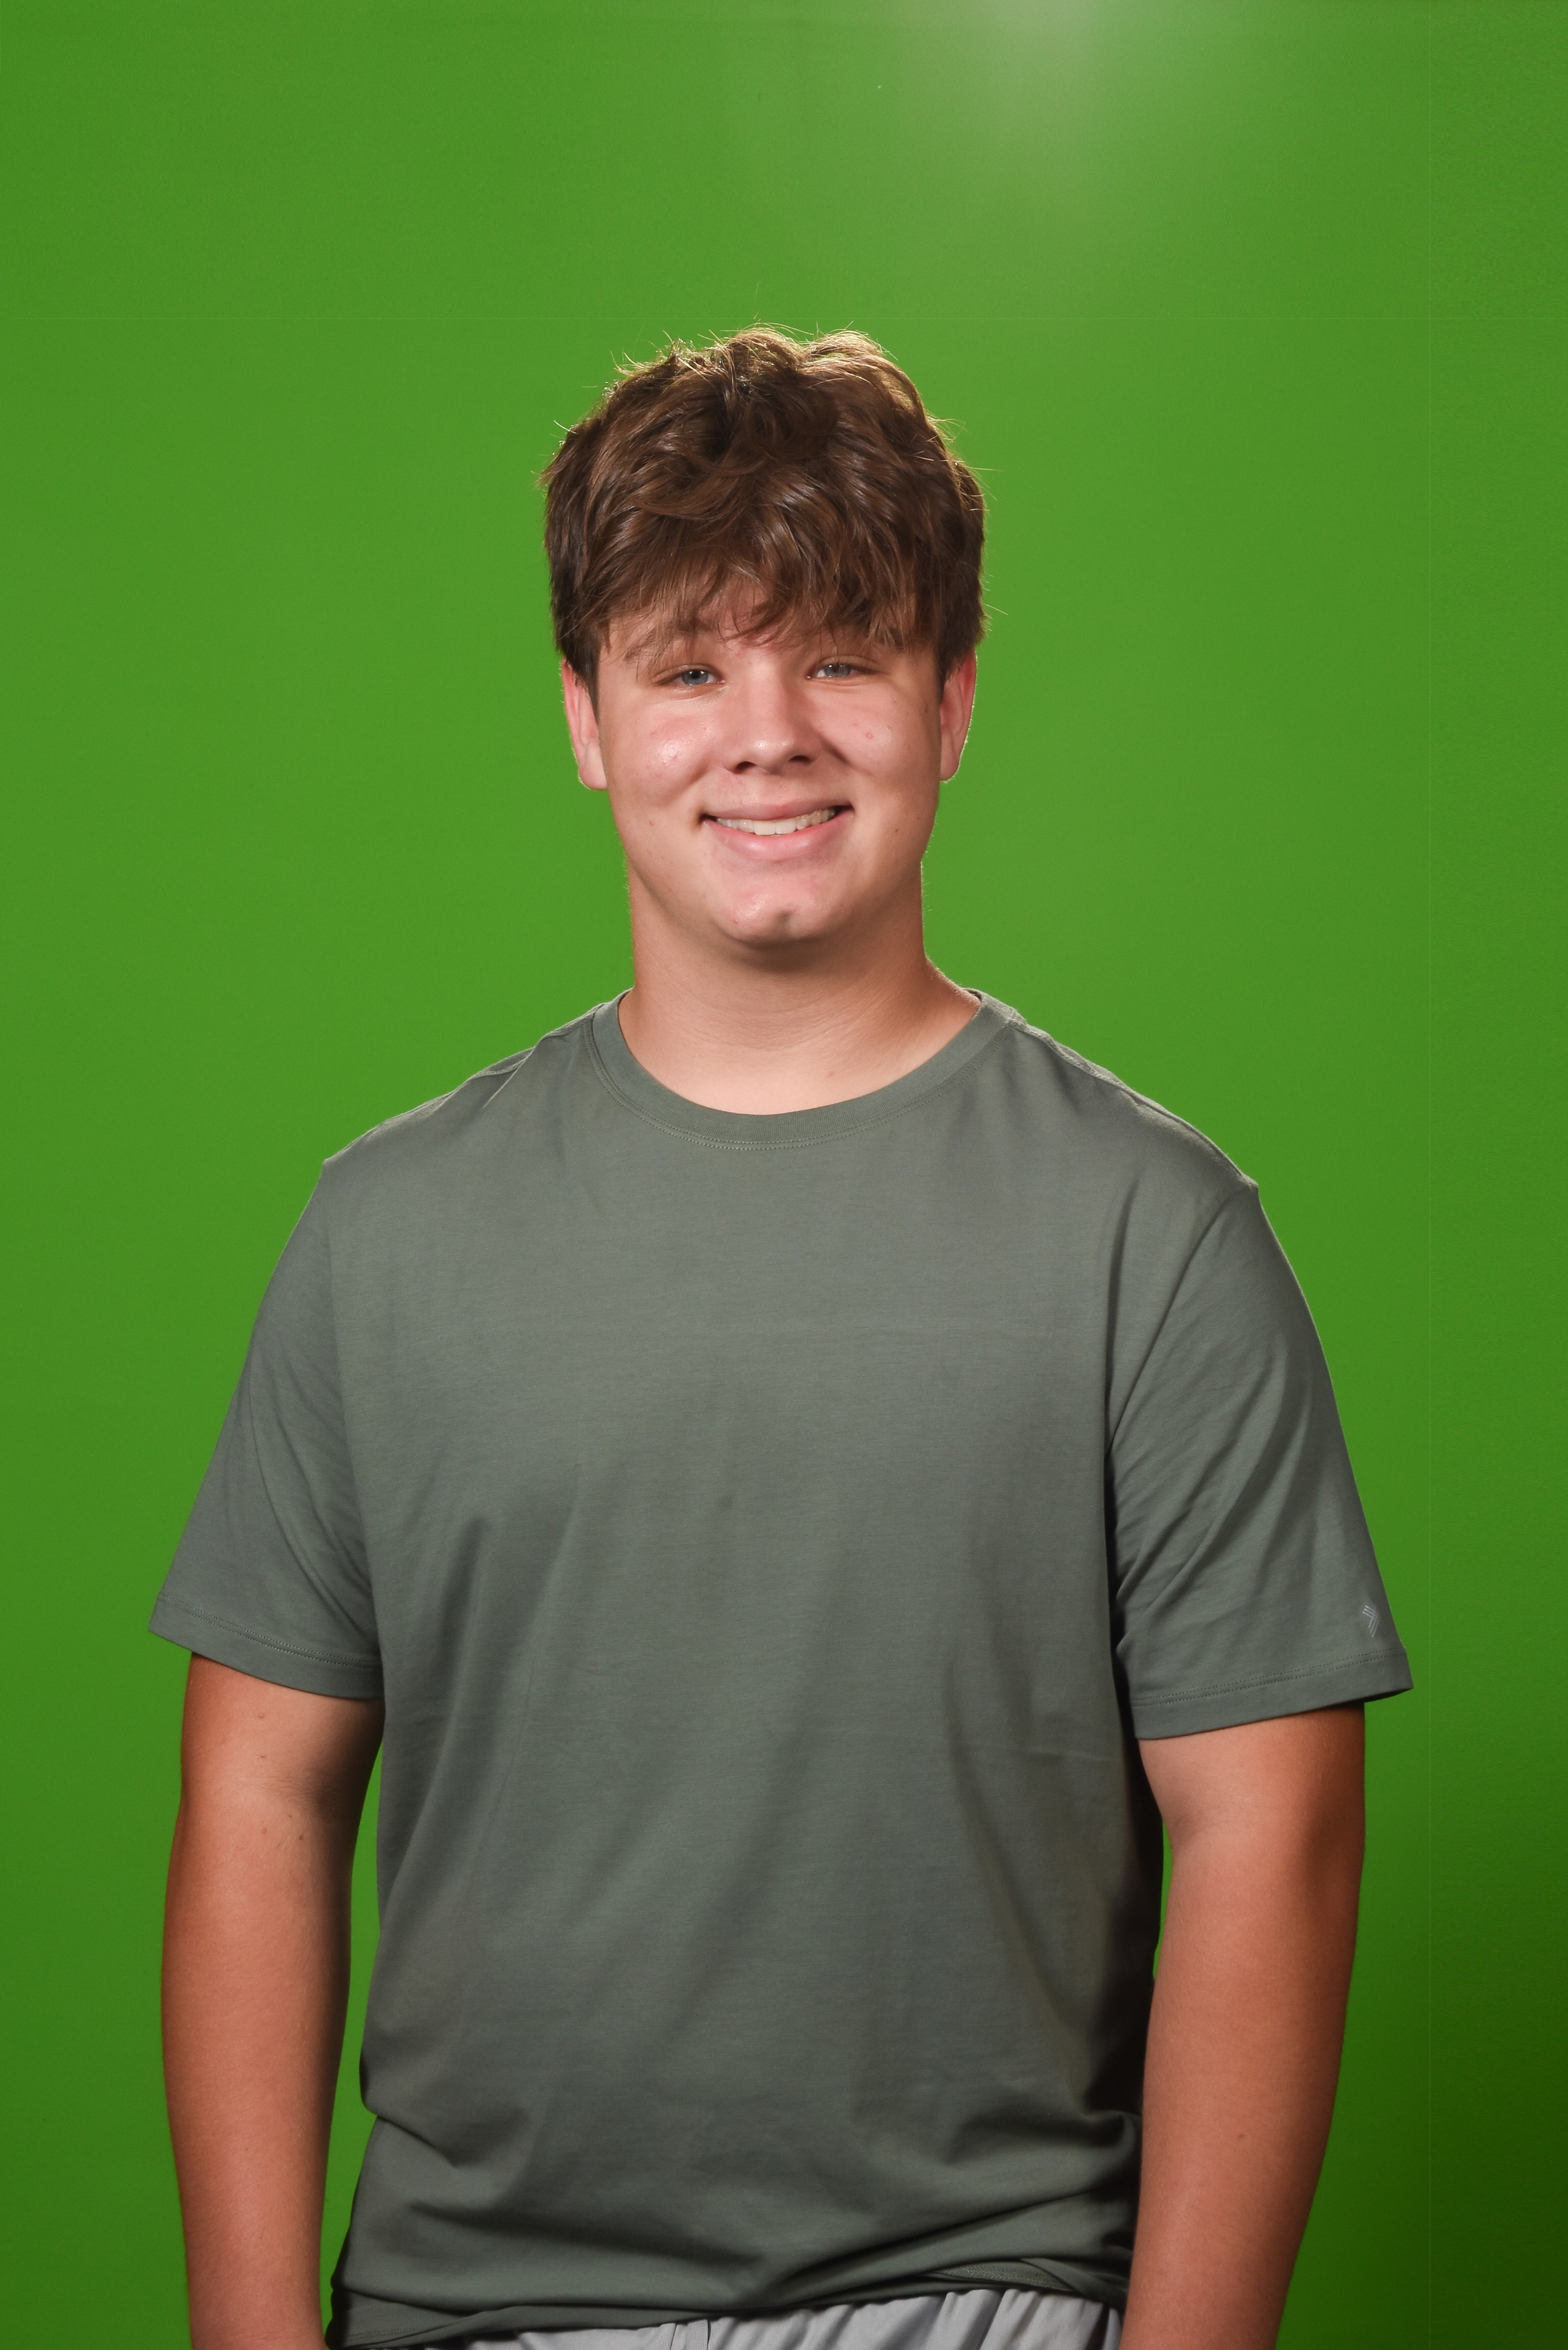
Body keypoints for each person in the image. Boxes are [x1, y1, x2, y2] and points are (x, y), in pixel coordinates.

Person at [154, 328, 1411, 2350]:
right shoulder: (383, 1236)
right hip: (480, 2305)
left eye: (841, 658)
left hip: (985, 2297)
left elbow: (1273, 1843)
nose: (769, 737)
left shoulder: (1154, 1239)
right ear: (585, 719)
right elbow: (257, 1802)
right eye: (687, 669)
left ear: (954, 700)